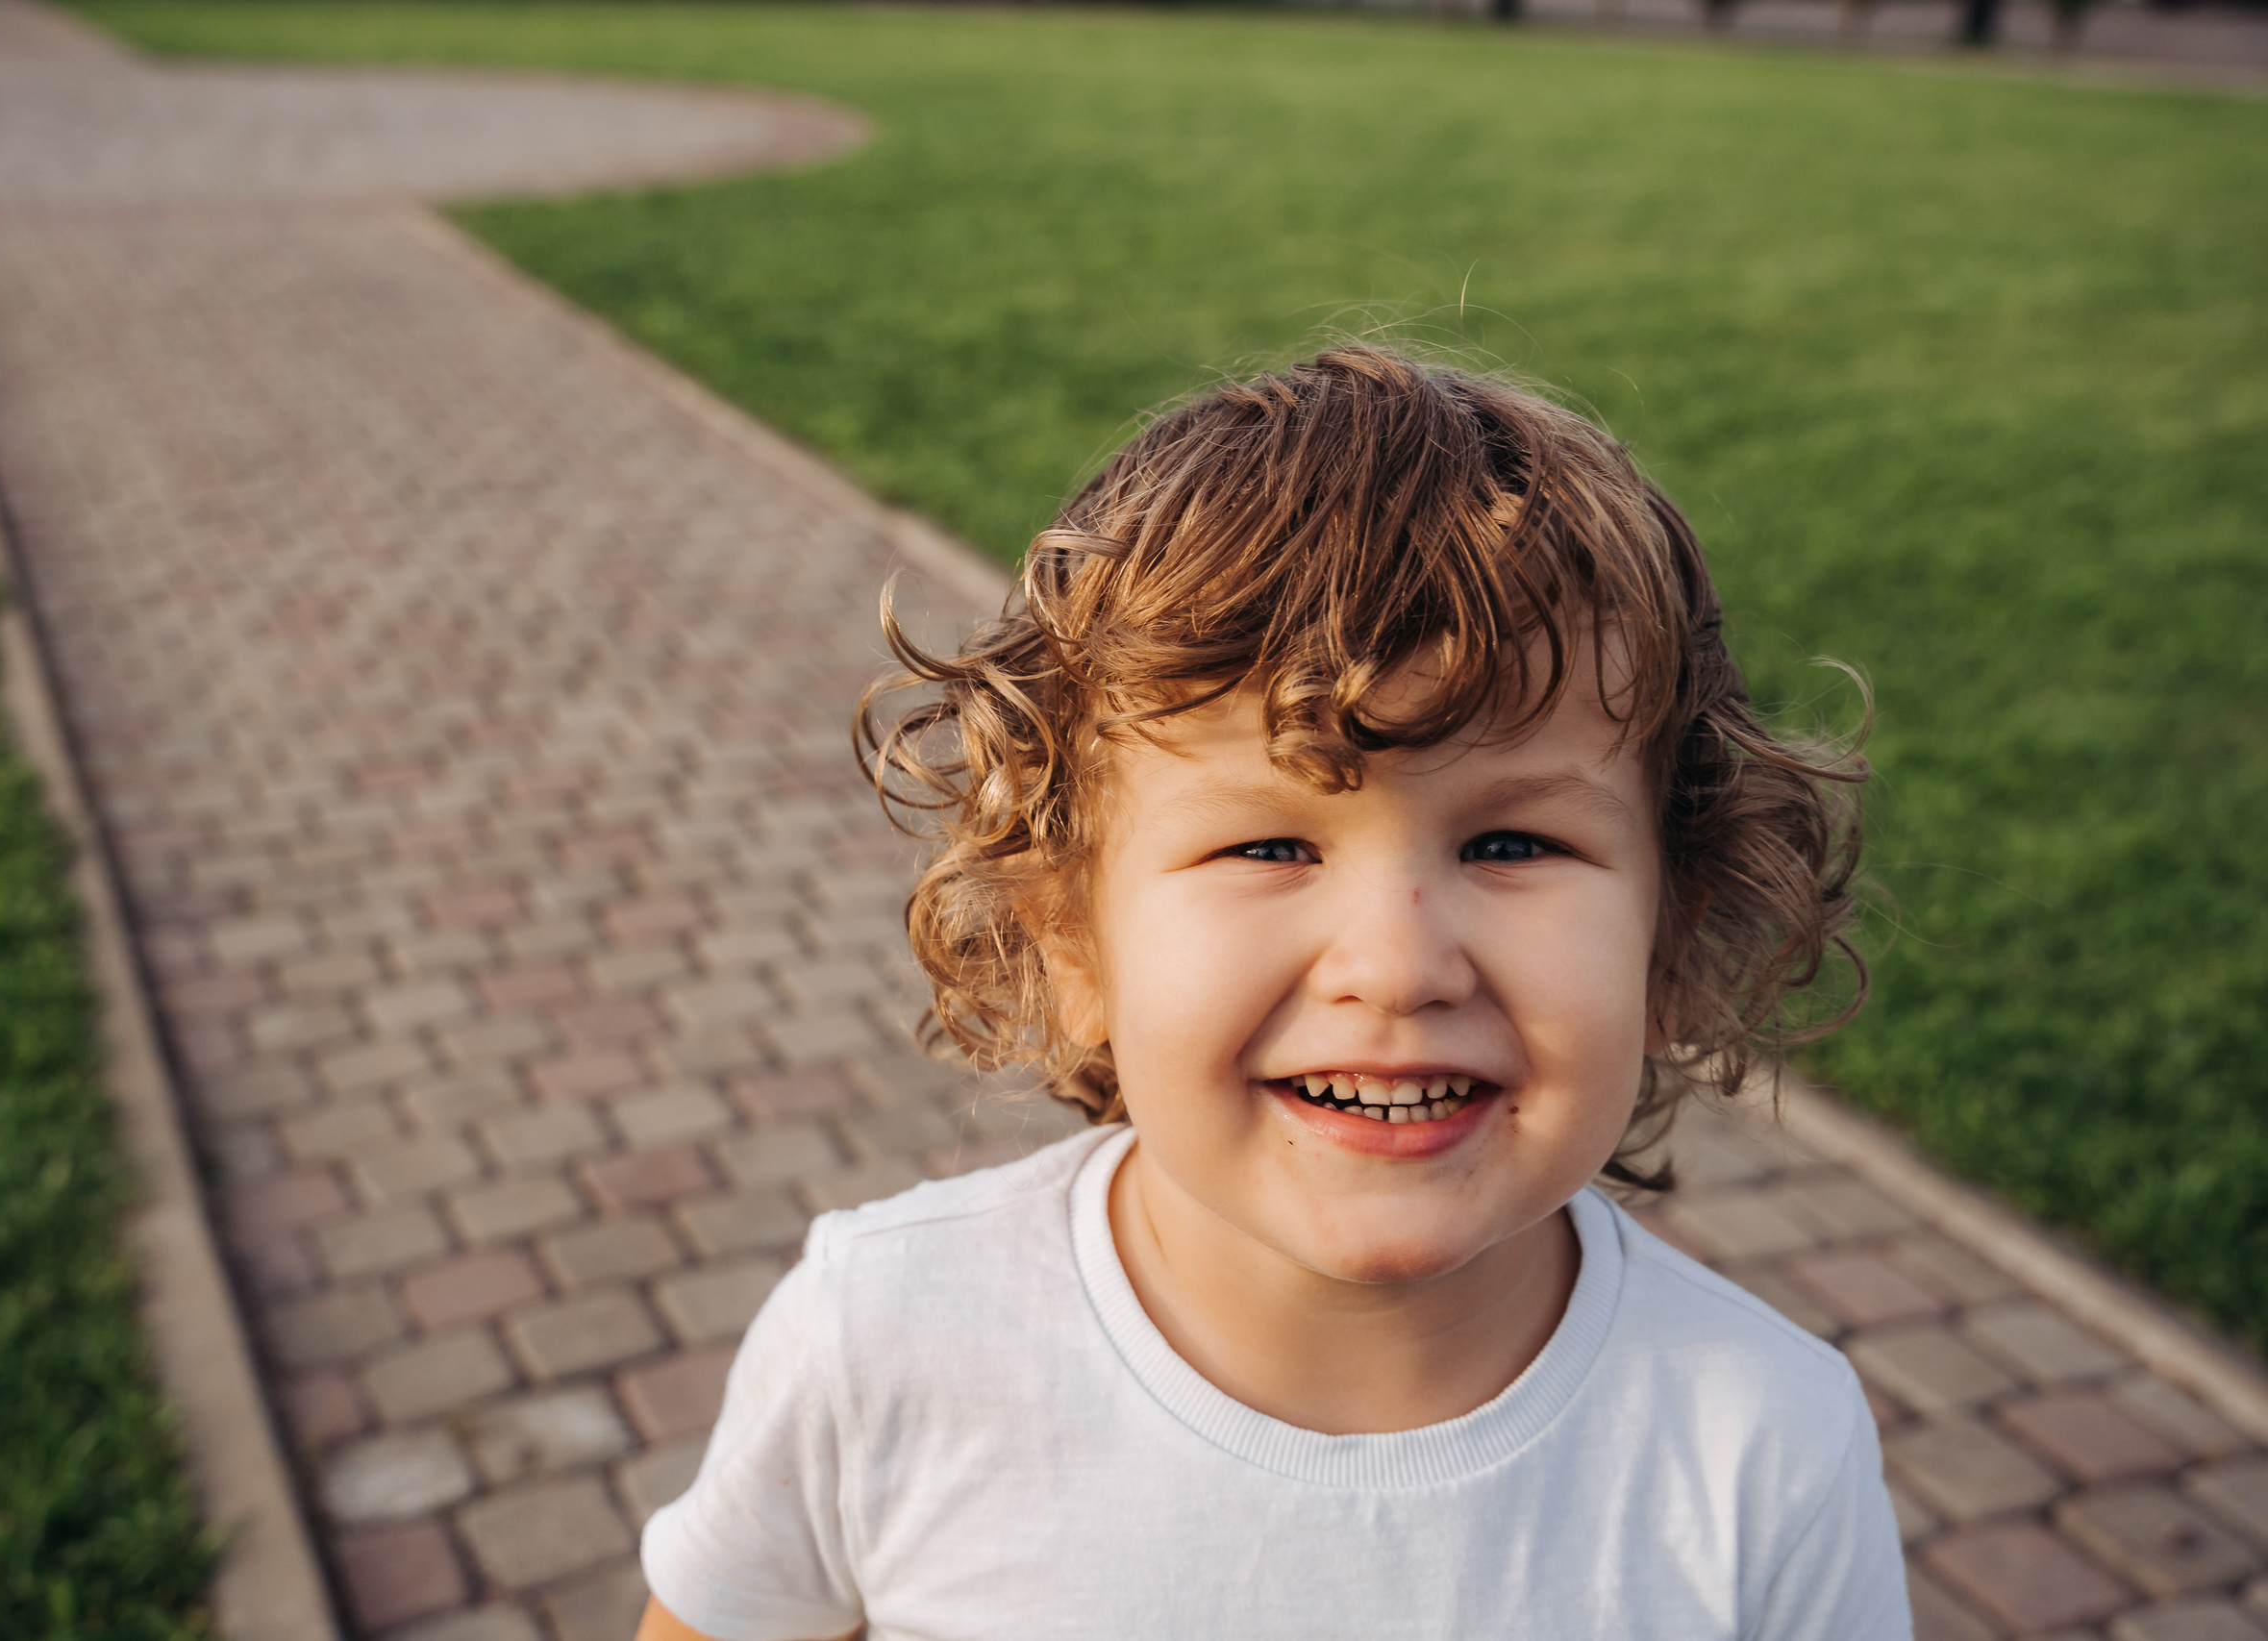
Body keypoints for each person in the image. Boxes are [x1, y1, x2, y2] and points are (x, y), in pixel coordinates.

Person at [634, 345, 1907, 1640]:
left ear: (1669, 941)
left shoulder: (1769, 1452)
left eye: (1514, 845)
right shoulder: (882, 1343)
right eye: (1268, 846)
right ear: (1072, 944)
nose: (1398, 968)